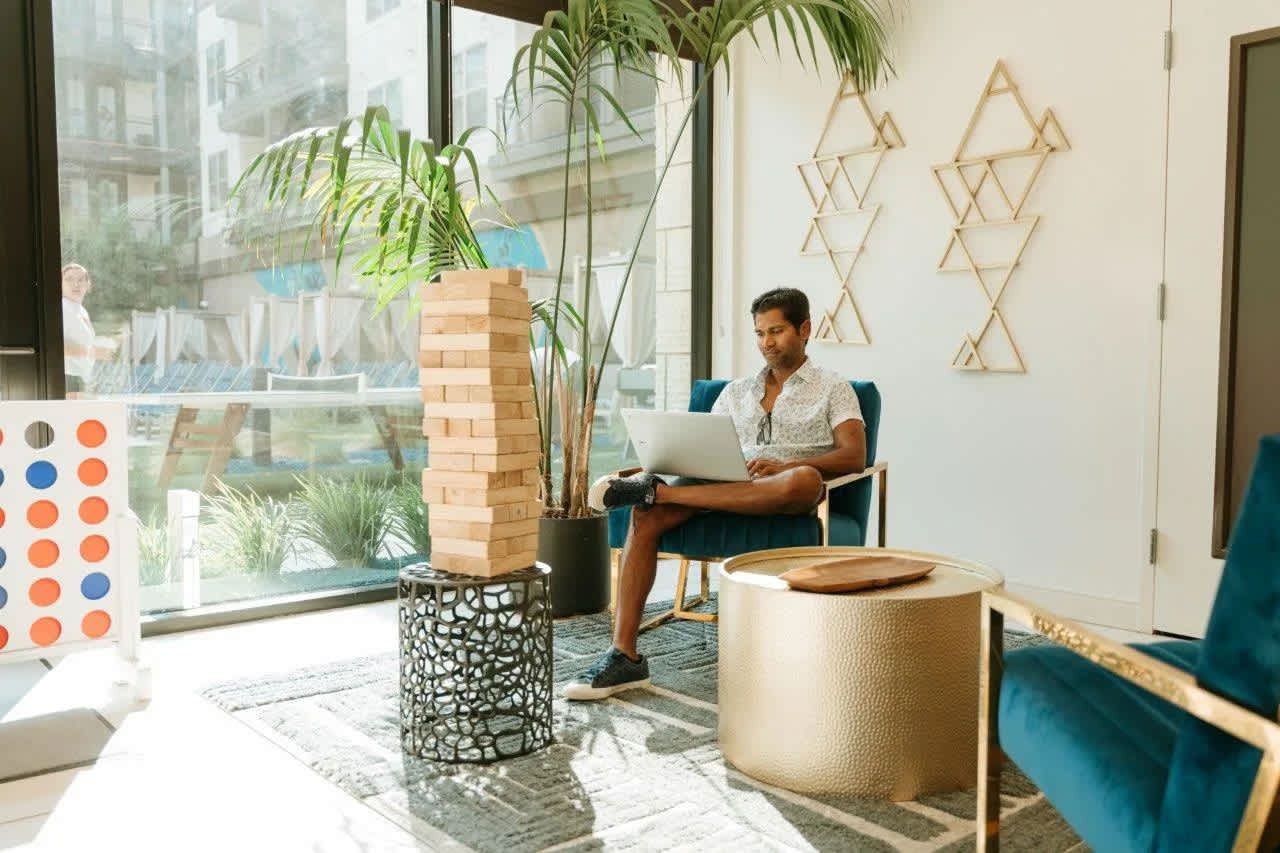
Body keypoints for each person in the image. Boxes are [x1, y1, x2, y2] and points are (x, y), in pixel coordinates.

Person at [565, 287, 866, 700]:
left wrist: (789, 464)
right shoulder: (735, 392)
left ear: (805, 329)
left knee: (805, 481)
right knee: (645, 516)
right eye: (759, 333)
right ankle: (624, 658)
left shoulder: (835, 388)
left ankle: (659, 493)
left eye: (776, 331)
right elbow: (700, 448)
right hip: (720, 483)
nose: (766, 342)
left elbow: (854, 455)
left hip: (786, 490)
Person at [61, 263, 98, 397]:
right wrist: (94, 352)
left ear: (88, 285)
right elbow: (54, 346)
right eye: (69, 279)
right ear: (60, 284)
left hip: (80, 378)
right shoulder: (62, 308)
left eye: (81, 279)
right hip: (68, 378)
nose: (75, 284)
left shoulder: (81, 310)